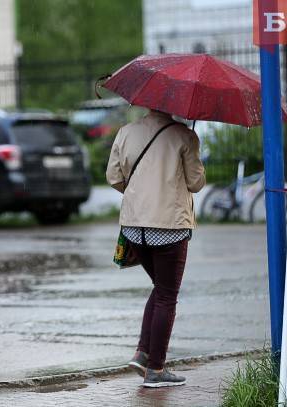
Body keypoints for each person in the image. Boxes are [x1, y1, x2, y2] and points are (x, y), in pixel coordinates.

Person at [106, 109, 205, 388]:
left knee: (161, 289)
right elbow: (196, 183)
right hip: (169, 227)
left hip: (134, 227)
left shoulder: (125, 132)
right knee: (167, 295)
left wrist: (141, 193)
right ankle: (156, 368)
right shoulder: (184, 135)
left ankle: (143, 352)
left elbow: (114, 177)